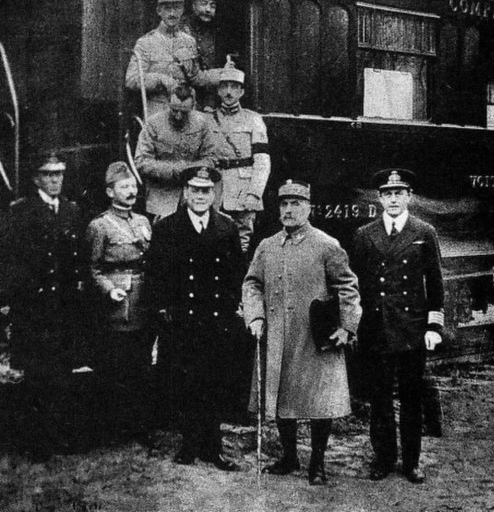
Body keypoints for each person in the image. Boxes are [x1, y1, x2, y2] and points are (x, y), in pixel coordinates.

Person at [242, 179, 362, 485]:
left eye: (296, 203)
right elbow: (252, 283)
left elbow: (348, 287)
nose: (289, 210)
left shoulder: (326, 244)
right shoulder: (267, 246)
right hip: (278, 338)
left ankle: (318, 464)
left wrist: (347, 327)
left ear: (309, 207)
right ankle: (289, 457)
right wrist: (254, 316)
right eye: (284, 204)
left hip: (315, 337)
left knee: (319, 403)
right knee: (283, 401)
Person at [146, 166, 246, 469]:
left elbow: (236, 274)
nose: (200, 196)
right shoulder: (167, 228)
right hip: (183, 321)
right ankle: (189, 446)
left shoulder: (226, 228)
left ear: (213, 194)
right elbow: (155, 274)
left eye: (206, 191)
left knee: (214, 383)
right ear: (185, 192)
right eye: (194, 190)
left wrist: (232, 307)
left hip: (216, 319)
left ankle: (212, 448)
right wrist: (163, 309)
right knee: (186, 383)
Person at [352, 168, 445, 484]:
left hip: (411, 329)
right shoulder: (364, 235)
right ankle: (383, 458)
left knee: (411, 397)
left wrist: (433, 327)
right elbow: (358, 285)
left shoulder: (424, 232)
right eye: (387, 194)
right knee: (379, 398)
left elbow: (435, 283)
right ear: (379, 198)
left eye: (399, 193)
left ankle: (412, 462)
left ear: (409, 197)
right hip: (376, 329)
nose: (393, 199)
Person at [3, 151, 86, 460]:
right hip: (34, 307)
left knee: (62, 373)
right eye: (49, 174)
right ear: (36, 177)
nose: (55, 179)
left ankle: (58, 435)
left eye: (60, 173)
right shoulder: (21, 212)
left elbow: (75, 259)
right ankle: (36, 441)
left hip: (62, 306)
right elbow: (11, 260)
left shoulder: (71, 210)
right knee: (36, 375)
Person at [85, 161, 153, 442]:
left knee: (141, 365)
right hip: (118, 305)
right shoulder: (99, 226)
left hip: (143, 302)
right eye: (124, 186)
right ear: (110, 192)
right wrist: (107, 289)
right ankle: (111, 428)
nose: (131, 190)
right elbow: (92, 268)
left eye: (133, 186)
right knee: (115, 366)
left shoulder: (143, 222)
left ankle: (139, 427)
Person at [208, 60, 270, 255]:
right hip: (215, 189)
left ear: (241, 92)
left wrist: (254, 193)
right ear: (218, 91)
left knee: (241, 244)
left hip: (243, 190)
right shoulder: (207, 119)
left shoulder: (253, 120)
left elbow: (262, 161)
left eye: (234, 87)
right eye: (224, 86)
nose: (228, 92)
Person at [134, 83, 217, 220]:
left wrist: (190, 170)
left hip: (194, 196)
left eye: (184, 112)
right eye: (174, 110)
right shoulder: (153, 124)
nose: (178, 116)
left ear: (194, 106)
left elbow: (211, 158)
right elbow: (141, 161)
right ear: (167, 103)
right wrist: (173, 170)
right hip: (161, 198)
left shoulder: (203, 124)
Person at [125, 0, 204, 118]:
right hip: (159, 112)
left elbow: (196, 77)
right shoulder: (145, 43)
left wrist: (223, 74)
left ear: (183, 10)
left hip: (186, 111)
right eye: (167, 9)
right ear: (159, 11)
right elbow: (131, 80)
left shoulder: (189, 41)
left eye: (177, 8)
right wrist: (160, 79)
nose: (172, 13)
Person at [180, 0, 224, 111]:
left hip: (203, 103)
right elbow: (190, 76)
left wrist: (209, 105)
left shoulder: (211, 33)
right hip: (182, 99)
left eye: (212, 6)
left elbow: (209, 66)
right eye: (204, 3)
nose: (208, 9)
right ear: (193, 5)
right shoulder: (180, 30)